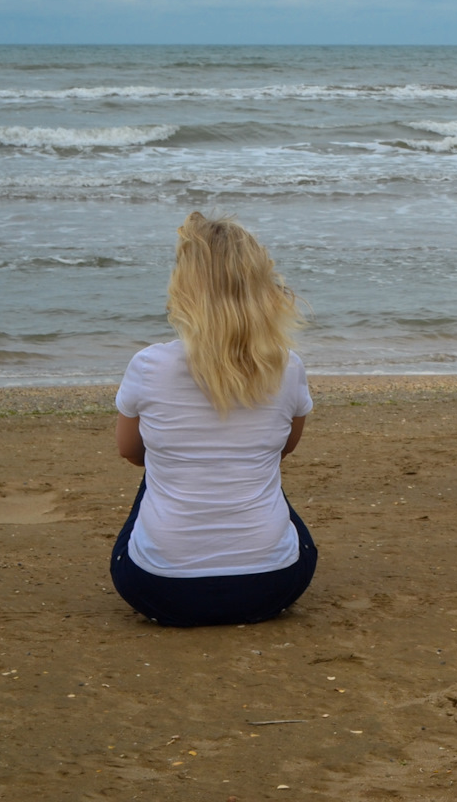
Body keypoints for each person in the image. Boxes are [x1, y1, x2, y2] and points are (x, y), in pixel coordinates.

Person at [109, 212, 317, 627]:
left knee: (157, 469)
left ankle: (183, 552)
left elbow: (130, 453)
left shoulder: (150, 364)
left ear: (183, 288)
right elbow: (284, 449)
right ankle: (247, 548)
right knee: (257, 467)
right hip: (271, 585)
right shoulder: (287, 366)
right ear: (262, 287)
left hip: (159, 589)